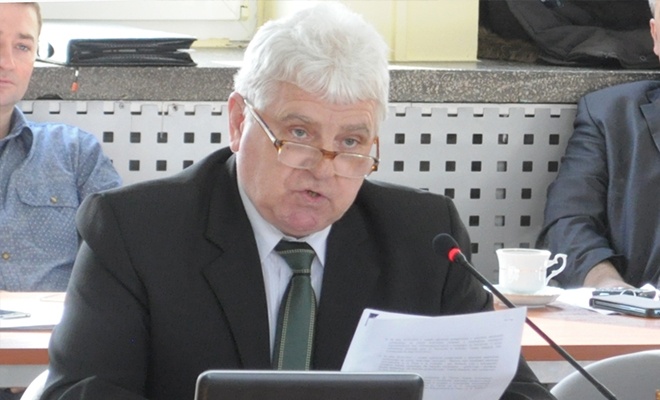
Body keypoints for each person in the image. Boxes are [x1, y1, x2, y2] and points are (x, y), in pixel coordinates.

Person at [41, 3, 555, 399]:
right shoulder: (136, 233)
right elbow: (82, 393)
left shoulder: (424, 239)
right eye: (300, 133)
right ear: (239, 122)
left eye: (351, 142)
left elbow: (513, 392)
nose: (324, 167)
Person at [537, 0, 660, 290]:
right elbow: (567, 225)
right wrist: (609, 286)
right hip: (638, 312)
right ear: (655, 36)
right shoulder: (609, 115)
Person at [0, 2, 122, 292]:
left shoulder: (76, 153)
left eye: (22, 47)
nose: (7, 62)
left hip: (58, 321)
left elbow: (124, 262)